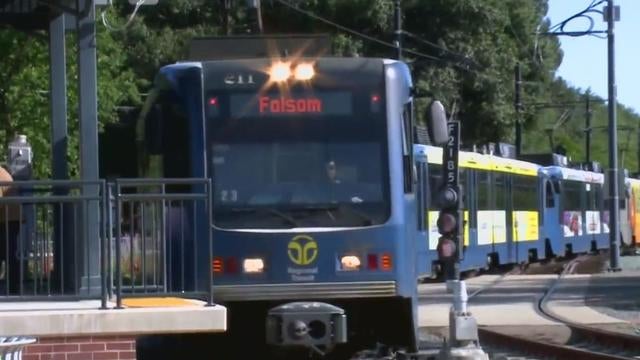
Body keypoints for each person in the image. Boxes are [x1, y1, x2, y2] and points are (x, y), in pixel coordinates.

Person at [0, 165, 21, 294]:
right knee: (9, 253)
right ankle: (14, 287)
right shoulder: (3, 171)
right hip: (11, 217)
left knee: (7, 253)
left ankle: (13, 287)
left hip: (6, 219)